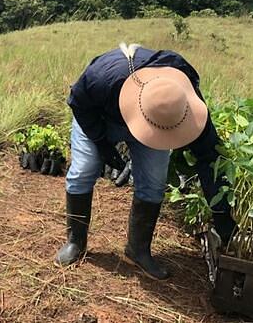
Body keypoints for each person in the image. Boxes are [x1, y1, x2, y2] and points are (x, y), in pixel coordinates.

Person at [55, 43, 237, 280]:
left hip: (156, 118)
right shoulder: (101, 79)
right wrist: (102, 143)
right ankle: (75, 242)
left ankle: (138, 250)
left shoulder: (182, 103)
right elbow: (79, 103)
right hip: (99, 115)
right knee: (83, 170)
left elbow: (210, 158)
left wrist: (222, 216)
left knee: (153, 181)